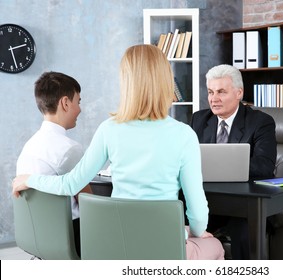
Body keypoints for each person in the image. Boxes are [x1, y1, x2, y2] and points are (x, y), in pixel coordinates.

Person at [13, 44, 224, 260]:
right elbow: (198, 213)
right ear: (165, 81)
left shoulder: (109, 128)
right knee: (215, 246)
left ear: (127, 83)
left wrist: (29, 179)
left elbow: (69, 184)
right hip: (162, 247)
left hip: (117, 244)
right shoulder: (184, 135)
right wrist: (197, 232)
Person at [190, 64, 277, 259]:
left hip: (244, 204)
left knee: (244, 230)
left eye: (221, 92)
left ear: (239, 93)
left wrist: (220, 165)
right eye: (211, 92)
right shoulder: (198, 120)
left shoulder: (261, 122)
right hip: (206, 200)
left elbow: (264, 166)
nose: (214, 99)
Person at [16, 71, 92, 257]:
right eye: (78, 101)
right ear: (66, 103)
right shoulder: (69, 149)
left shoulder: (29, 146)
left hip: (37, 236)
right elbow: (89, 205)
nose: (80, 109)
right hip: (70, 237)